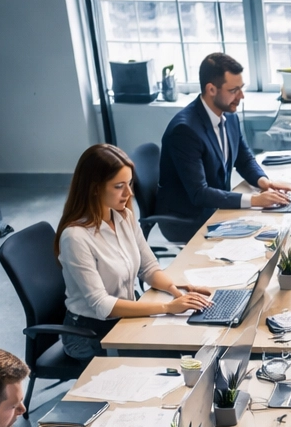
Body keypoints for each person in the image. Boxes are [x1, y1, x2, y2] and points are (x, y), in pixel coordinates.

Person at [56, 143, 214, 359]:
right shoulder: (75, 237)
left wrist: (177, 291)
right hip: (89, 333)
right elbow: (102, 306)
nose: (129, 193)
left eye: (130, 183)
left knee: (191, 339)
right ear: (94, 188)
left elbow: (148, 268)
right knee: (167, 358)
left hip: (124, 317)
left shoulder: (123, 216)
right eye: (119, 186)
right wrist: (168, 307)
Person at [155, 52, 291, 241]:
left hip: (215, 207)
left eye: (241, 88)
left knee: (276, 225)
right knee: (261, 232)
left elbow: (244, 159)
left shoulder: (229, 116)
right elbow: (199, 193)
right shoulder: (185, 131)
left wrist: (264, 183)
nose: (241, 96)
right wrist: (254, 200)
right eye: (233, 90)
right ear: (211, 89)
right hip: (189, 218)